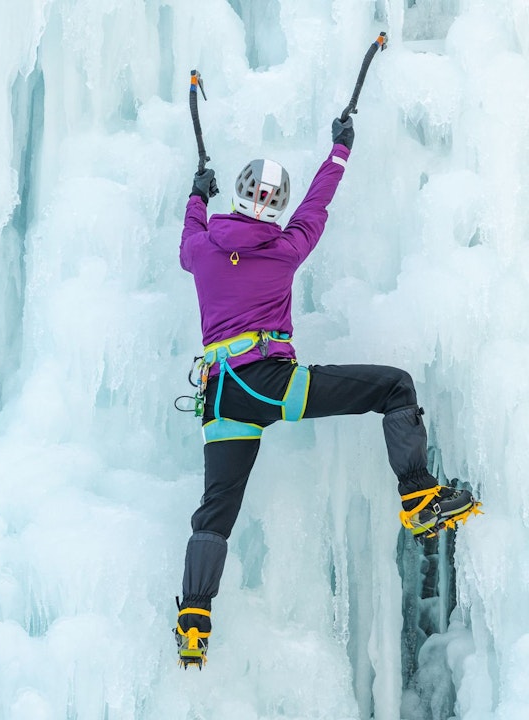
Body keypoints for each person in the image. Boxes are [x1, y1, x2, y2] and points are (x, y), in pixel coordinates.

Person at [173, 117, 480, 669]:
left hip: (219, 397)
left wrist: (198, 195)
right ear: (276, 207)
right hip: (271, 384)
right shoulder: (285, 248)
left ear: (236, 195)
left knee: (215, 512)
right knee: (394, 386)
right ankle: (418, 498)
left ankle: (194, 618)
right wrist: (340, 149)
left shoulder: (201, 248)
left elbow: (188, 234)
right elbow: (318, 204)